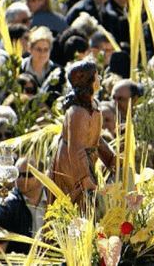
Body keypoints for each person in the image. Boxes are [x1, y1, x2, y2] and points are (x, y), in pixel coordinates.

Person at [48, 61, 116, 207]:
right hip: (72, 167)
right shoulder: (77, 112)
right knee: (77, 207)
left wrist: (111, 158)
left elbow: (95, 139)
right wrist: (84, 178)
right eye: (96, 76)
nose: (99, 79)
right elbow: (76, 148)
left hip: (85, 161)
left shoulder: (94, 105)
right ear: (88, 81)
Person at [0, 157, 47, 254]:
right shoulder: (10, 202)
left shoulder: (54, 200)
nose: (21, 179)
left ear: (42, 175)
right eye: (18, 175)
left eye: (27, 175)